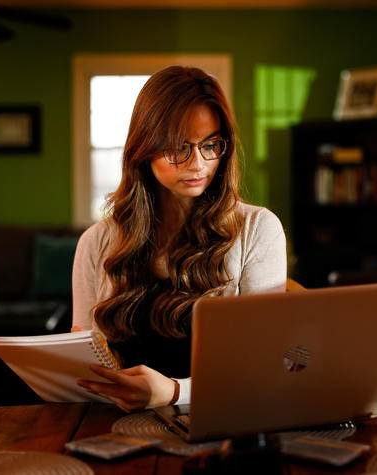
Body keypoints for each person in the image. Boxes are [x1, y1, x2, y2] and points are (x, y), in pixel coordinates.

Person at [72, 65, 286, 412]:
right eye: (179, 148)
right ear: (145, 148)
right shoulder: (96, 241)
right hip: (114, 424)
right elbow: (82, 354)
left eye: (211, 145)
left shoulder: (257, 229)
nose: (199, 164)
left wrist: (173, 392)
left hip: (221, 421)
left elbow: (269, 365)